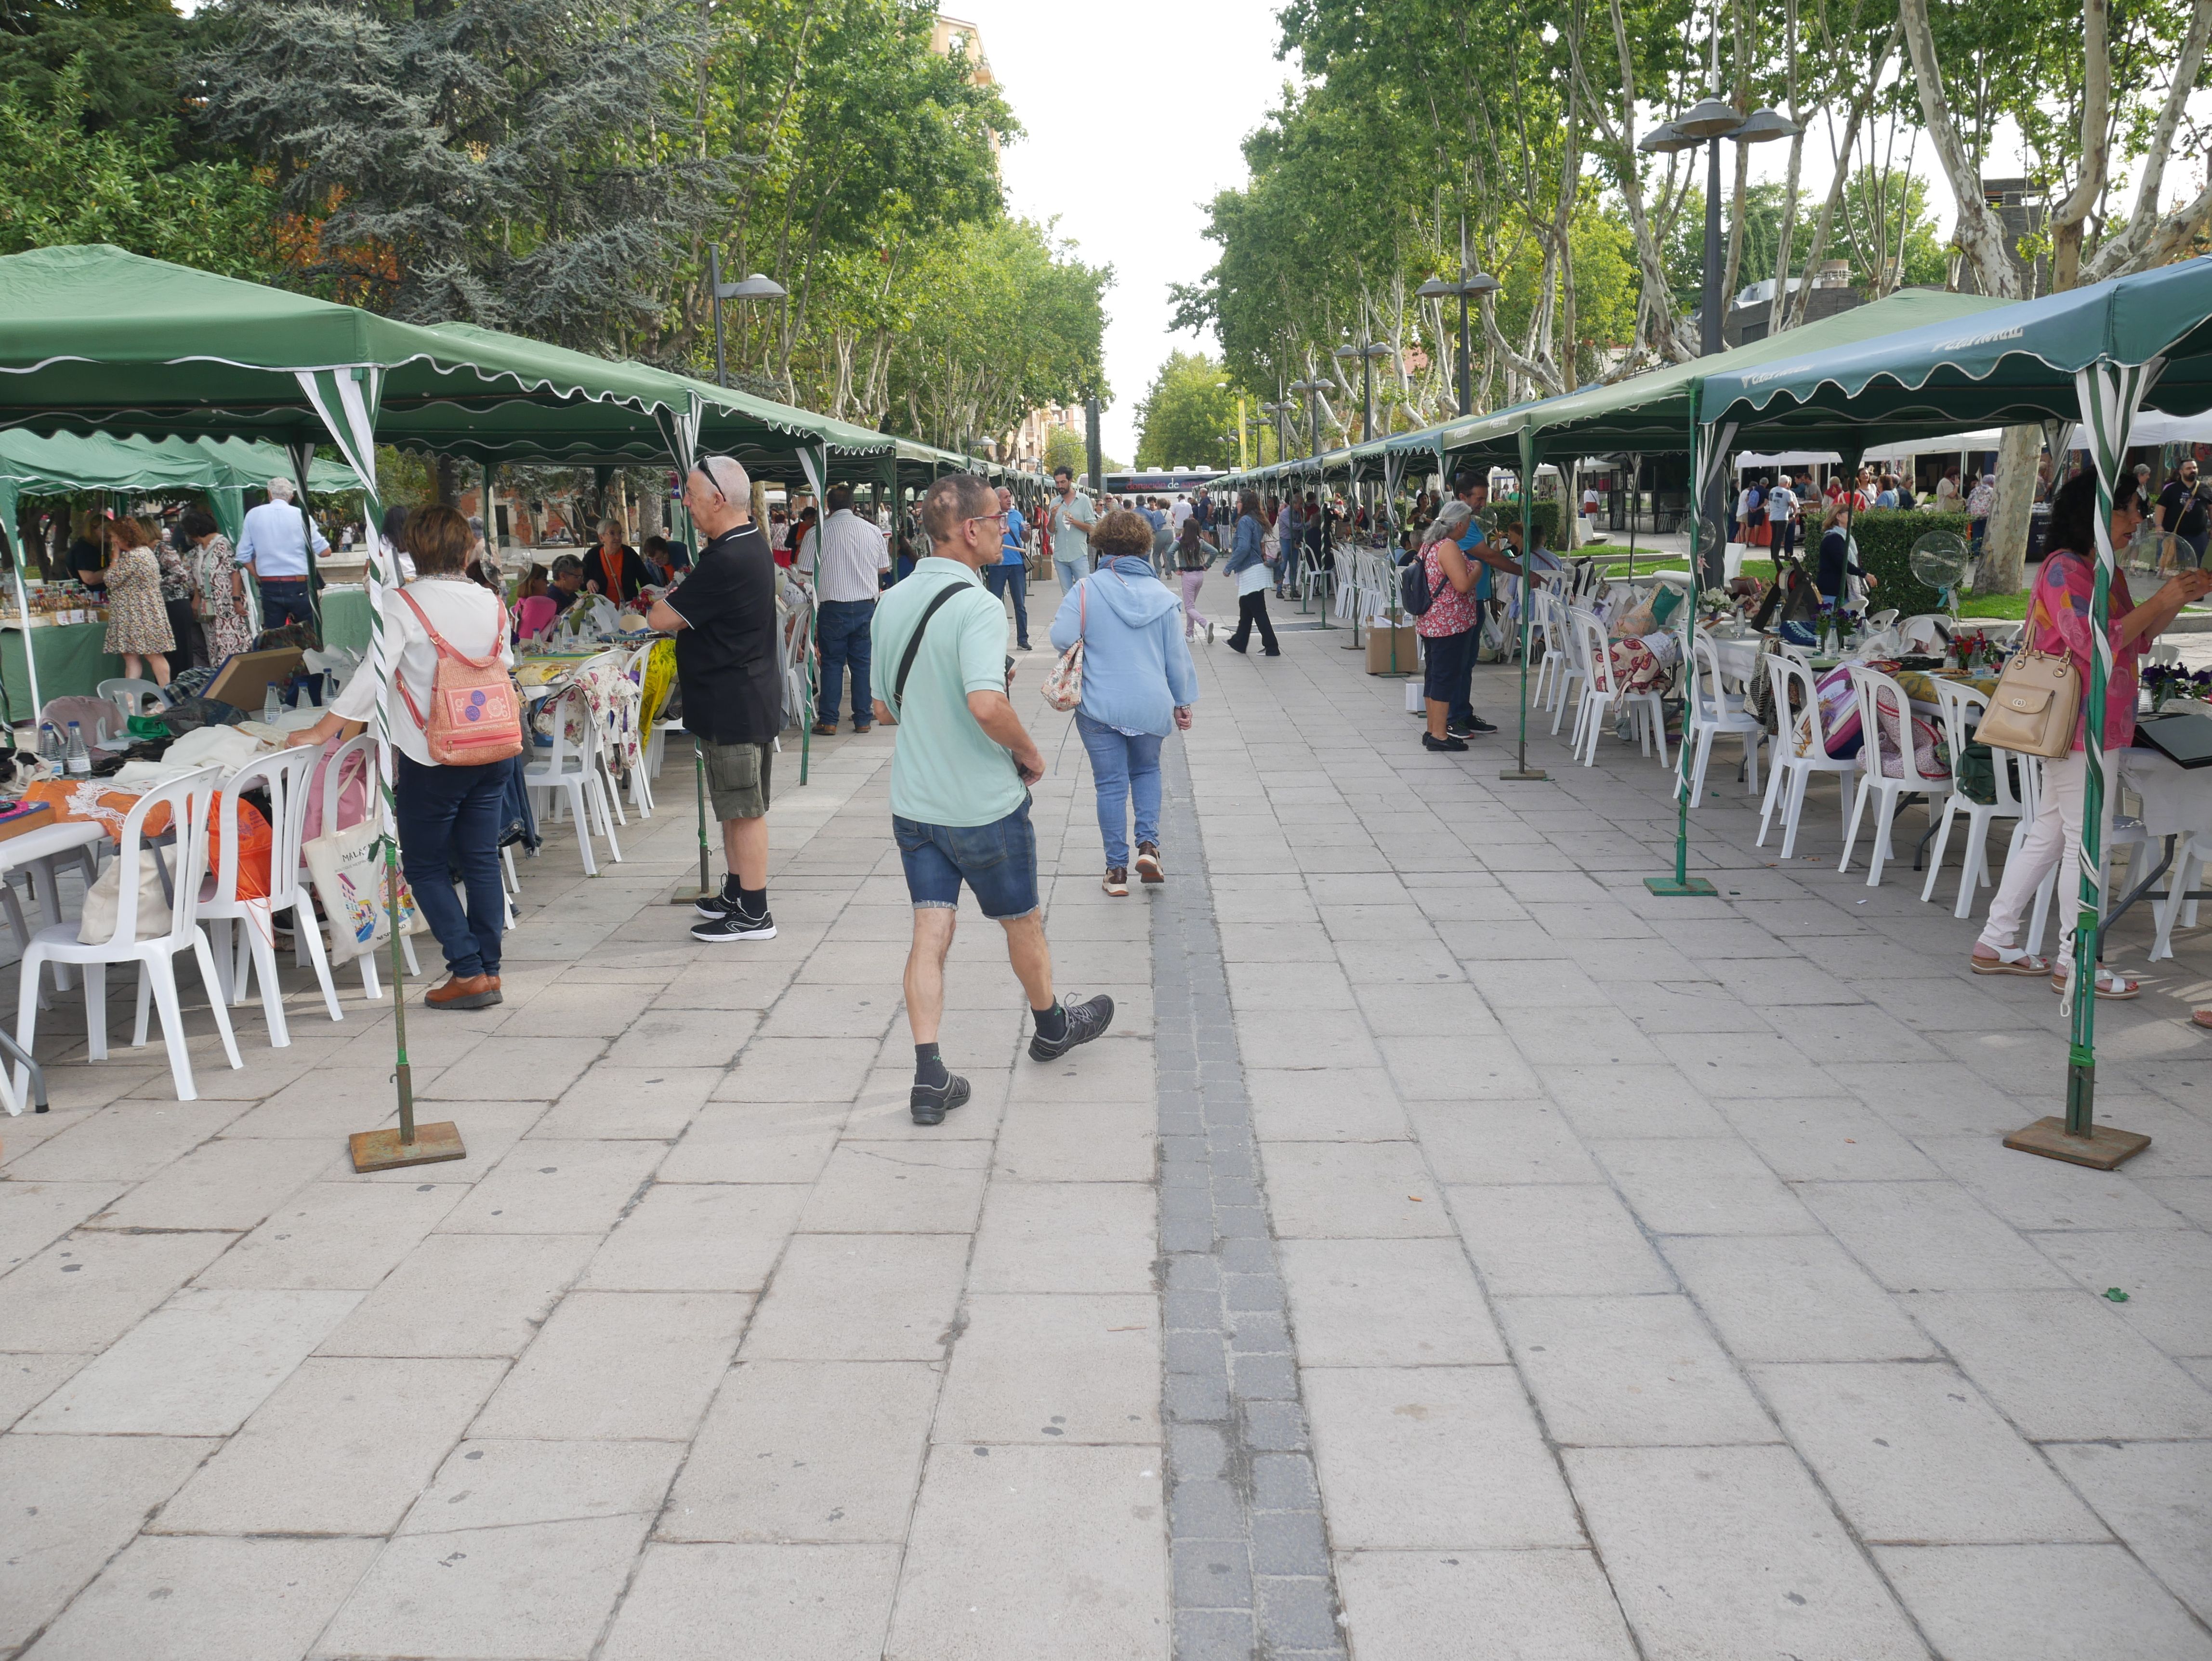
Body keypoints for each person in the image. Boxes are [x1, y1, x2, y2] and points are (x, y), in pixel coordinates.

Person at [870, 472, 1115, 1126]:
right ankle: (1052, 1026)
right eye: (998, 522)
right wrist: (1029, 752)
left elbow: (881, 707)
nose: (1007, 531)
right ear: (969, 530)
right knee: (1022, 920)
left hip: (916, 804)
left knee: (931, 931)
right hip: (981, 804)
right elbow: (985, 702)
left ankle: (929, 1077)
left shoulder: (891, 601)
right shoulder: (978, 606)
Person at [1969, 470, 2212, 995]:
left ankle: (1995, 940)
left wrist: (2174, 598)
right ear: (2095, 514)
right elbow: (2093, 642)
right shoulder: (2062, 570)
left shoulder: (2104, 570)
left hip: (2099, 726)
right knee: (2088, 844)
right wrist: (2161, 597)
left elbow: (2138, 637)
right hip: (2080, 727)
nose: (2138, 520)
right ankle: (2073, 961)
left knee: (2050, 834)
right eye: (2127, 509)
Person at [287, 504, 517, 1010]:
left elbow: (372, 675)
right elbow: (503, 662)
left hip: (434, 753)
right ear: (467, 547)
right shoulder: (489, 600)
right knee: (480, 860)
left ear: (411, 549)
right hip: (493, 745)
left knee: (426, 863)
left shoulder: (402, 603)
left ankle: (467, 969)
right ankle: (489, 969)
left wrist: (324, 729)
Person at [644, 456, 784, 943]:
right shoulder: (744, 543)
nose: (686, 504)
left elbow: (662, 618)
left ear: (719, 500)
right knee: (733, 805)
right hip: (737, 696)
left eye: (692, 495)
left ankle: (755, 911)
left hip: (735, 701)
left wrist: (660, 599)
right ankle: (738, 892)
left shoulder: (729, 557)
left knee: (744, 809)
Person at [1051, 509, 1198, 896]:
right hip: (1150, 704)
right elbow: (1176, 657)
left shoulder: (1086, 589)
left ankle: (1116, 872)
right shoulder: (1163, 598)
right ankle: (1149, 847)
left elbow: (1061, 636)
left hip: (1100, 704)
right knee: (1147, 772)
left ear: (1101, 546)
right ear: (1145, 547)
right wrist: (1182, 701)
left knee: (1111, 786)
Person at [801, 482, 892, 735]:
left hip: (832, 607)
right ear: (853, 506)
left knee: (832, 663)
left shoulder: (817, 533)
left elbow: (806, 569)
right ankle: (863, 718)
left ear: (828, 507)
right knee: (862, 664)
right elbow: (884, 567)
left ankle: (829, 720)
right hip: (865, 605)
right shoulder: (871, 530)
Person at [1412, 501, 1482, 752]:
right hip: (1448, 624)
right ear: (1460, 525)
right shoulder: (1448, 547)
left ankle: (1433, 729)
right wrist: (1478, 570)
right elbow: (1462, 584)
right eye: (1470, 523)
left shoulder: (1429, 545)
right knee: (1444, 677)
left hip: (1432, 622)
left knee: (1434, 675)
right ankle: (1440, 735)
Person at [90, 516, 174, 686]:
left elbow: (111, 580)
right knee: (136, 657)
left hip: (139, 614)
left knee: (151, 657)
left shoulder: (134, 557)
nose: (112, 540)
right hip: (141, 613)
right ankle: (132, 699)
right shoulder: (145, 553)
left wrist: (114, 557)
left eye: (114, 536)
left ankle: (166, 699)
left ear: (123, 536)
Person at [236, 476, 328, 630]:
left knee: (274, 637)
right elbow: (325, 552)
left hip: (269, 583)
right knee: (309, 635)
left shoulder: (253, 515)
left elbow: (242, 556)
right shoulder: (301, 515)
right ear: (291, 497)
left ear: (269, 494)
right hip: (299, 584)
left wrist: (258, 576)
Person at [176, 508, 253, 664]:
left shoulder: (223, 545)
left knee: (231, 643)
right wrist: (197, 599)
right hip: (210, 608)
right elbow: (199, 577)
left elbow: (235, 573)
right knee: (214, 644)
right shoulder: (200, 550)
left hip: (228, 606)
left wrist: (237, 600)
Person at [1224, 488, 1279, 656]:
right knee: (1247, 607)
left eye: (1238, 502)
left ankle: (1272, 646)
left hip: (1251, 570)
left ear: (1245, 504)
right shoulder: (1257, 520)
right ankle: (1239, 642)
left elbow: (1243, 548)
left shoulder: (1245, 522)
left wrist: (1229, 566)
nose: (1237, 505)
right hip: (1257, 569)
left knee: (1257, 610)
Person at [979, 485, 1031, 650]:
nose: (1009, 499)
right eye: (1005, 497)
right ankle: (992, 639)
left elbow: (1026, 539)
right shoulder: (990, 516)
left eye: (1010, 496)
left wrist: (1027, 532)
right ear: (997, 500)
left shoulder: (1017, 515)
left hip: (1016, 564)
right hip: (997, 564)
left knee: (1020, 605)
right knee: (994, 603)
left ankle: (1023, 639)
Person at [155, 521, 204, 670]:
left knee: (181, 649)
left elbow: (181, 575)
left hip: (175, 604)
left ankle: (183, 683)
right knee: (175, 650)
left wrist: (156, 583)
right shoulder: (154, 550)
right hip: (168, 604)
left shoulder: (163, 549)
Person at [582, 518, 652, 605]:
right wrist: (588, 581)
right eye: (612, 533)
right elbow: (581, 580)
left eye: (620, 533)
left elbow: (645, 580)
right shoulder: (593, 555)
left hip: (628, 608)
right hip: (601, 609)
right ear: (601, 537)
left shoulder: (629, 554)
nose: (618, 537)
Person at [2156, 456, 2211, 564]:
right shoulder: (2172, 489)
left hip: (2198, 536)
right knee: (2172, 567)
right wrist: (2159, 526)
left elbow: (2211, 508)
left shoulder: (2204, 489)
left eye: (2195, 468)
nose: (2193, 471)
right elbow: (2160, 508)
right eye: (2189, 468)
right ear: (2181, 472)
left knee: (2194, 566)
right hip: (2174, 535)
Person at [1814, 501, 1869, 606]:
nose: (1852, 517)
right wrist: (1864, 574)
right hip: (1832, 592)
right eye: (1849, 514)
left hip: (1842, 592)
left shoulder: (1845, 537)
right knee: (1836, 621)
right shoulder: (1833, 538)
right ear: (1838, 516)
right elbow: (1842, 562)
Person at [1174, 514, 1217, 644]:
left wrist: (1174, 568)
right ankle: (1190, 634)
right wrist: (1207, 565)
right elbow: (1214, 552)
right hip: (1199, 575)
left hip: (1188, 575)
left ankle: (1205, 624)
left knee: (1189, 607)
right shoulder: (1201, 541)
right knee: (1191, 606)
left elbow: (1170, 552)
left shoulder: (1180, 541)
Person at [1766, 474, 1800, 562]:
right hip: (1782, 517)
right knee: (1779, 538)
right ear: (1787, 483)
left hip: (1773, 517)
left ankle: (1773, 557)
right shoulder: (1787, 493)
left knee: (1774, 538)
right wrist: (1794, 515)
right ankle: (1776, 557)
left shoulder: (1772, 490)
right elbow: (1793, 505)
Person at [546, 554, 587, 618]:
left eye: (582, 577)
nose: (582, 582)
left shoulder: (571, 594)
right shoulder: (550, 600)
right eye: (577, 577)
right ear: (563, 576)